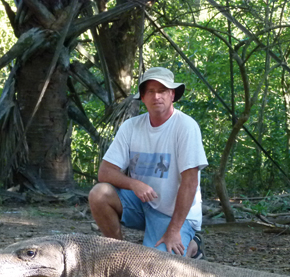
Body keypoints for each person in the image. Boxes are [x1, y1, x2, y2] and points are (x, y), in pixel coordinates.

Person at [88, 67, 208, 258]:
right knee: (99, 193)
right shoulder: (131, 127)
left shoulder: (185, 126)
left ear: (172, 95)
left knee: (158, 266)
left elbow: (190, 182)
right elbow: (105, 172)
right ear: (142, 97)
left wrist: (173, 230)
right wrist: (133, 183)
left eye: (162, 91)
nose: (156, 96)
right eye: (150, 91)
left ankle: (192, 244)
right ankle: (119, 252)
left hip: (173, 214)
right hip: (141, 204)